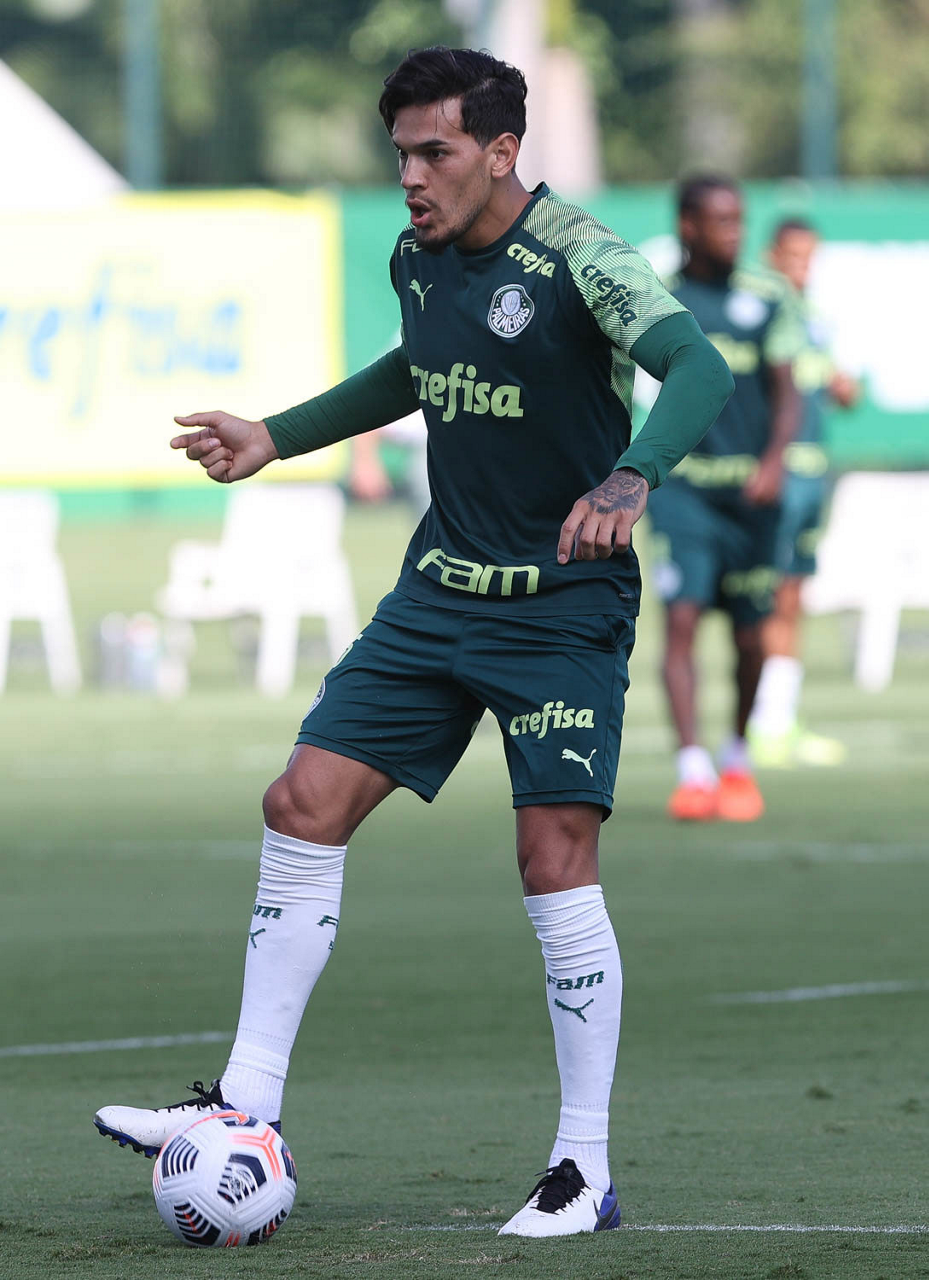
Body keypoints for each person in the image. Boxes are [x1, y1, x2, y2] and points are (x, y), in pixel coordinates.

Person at [93, 47, 732, 1238]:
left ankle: (581, 1168)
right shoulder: (415, 256)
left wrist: (633, 472)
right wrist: (276, 433)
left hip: (561, 603)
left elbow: (697, 363)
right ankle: (243, 1103)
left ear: (500, 150)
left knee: (552, 858)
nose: (411, 176)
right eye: (400, 154)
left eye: (434, 151)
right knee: (301, 800)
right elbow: (420, 367)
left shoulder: (579, 256)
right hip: (437, 593)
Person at [647, 175, 803, 822]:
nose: (735, 232)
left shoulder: (768, 296)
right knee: (681, 620)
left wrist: (773, 461)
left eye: (739, 219)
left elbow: (787, 392)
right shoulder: (657, 299)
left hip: (751, 496)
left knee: (750, 637)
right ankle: (692, 770)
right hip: (683, 490)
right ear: (688, 225)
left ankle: (736, 758)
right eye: (721, 221)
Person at [747, 217, 859, 767]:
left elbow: (840, 392)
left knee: (794, 592)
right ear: (772, 256)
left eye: (810, 256)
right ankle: (755, 723)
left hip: (814, 473)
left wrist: (843, 386)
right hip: (778, 475)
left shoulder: (813, 318)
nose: (803, 267)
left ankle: (779, 719)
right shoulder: (761, 312)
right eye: (793, 256)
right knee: (764, 594)